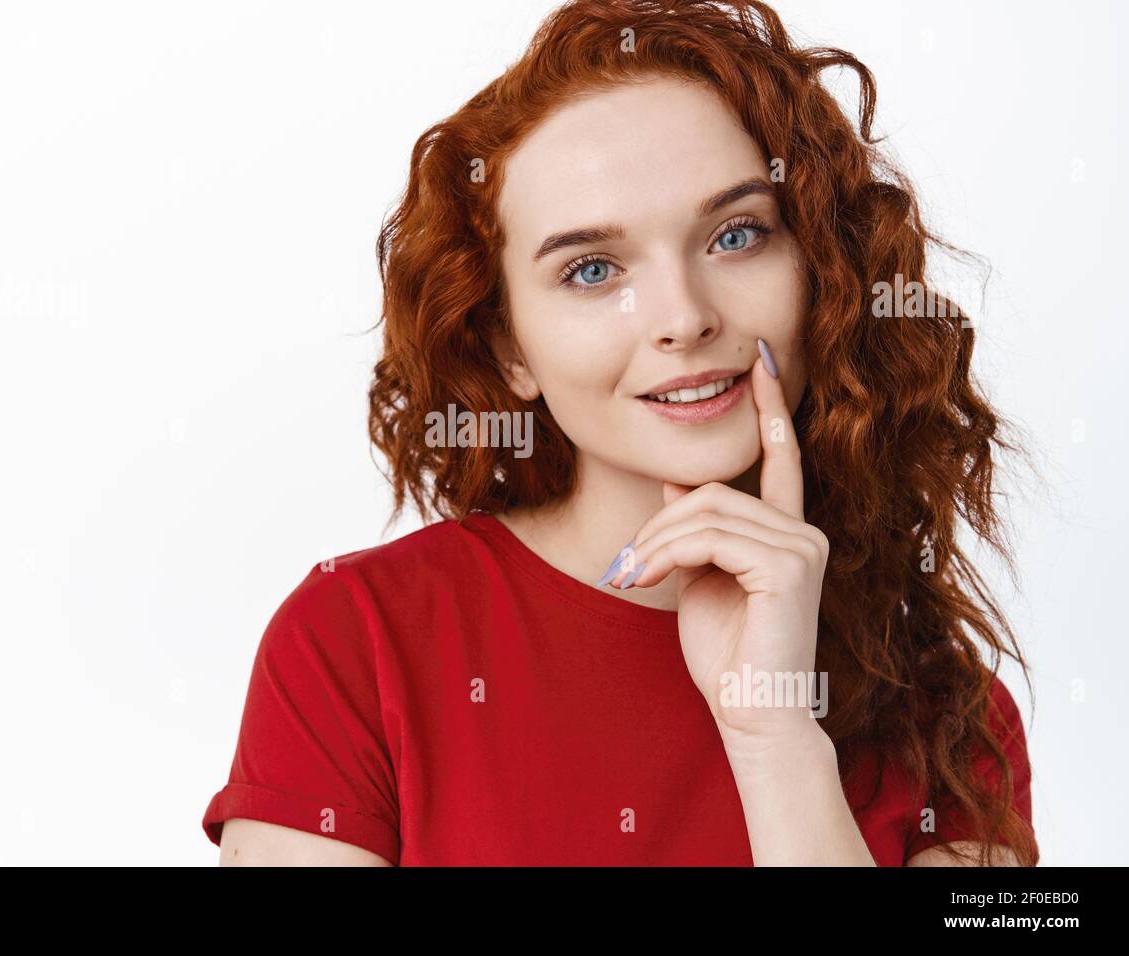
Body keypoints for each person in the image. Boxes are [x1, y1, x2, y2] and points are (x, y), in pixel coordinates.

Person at [202, 0, 1038, 866]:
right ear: (508, 346)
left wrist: (777, 738)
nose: (681, 318)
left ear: (822, 269)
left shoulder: (953, 718)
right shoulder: (353, 643)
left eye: (737, 234)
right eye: (592, 270)